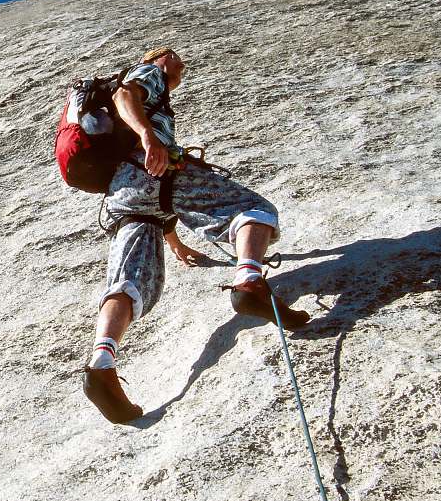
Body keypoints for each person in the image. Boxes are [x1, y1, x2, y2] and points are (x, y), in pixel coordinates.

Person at [82, 46, 311, 424]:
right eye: (173, 56)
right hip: (154, 169)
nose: (180, 64)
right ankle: (250, 282)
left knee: (129, 282)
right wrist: (150, 138)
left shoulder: (142, 105)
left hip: (124, 192)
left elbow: (157, 201)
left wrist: (174, 242)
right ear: (159, 58)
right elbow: (126, 96)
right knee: (253, 211)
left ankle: (101, 364)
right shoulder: (149, 74)